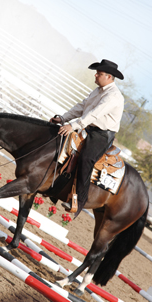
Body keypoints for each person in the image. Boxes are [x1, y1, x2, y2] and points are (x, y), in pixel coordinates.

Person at [50, 59, 124, 217]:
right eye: (96, 73)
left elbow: (94, 114)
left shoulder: (113, 96)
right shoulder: (98, 90)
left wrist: (73, 125)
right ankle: (57, 186)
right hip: (89, 128)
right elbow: (82, 107)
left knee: (86, 158)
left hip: (102, 134)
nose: (96, 75)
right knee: (64, 145)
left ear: (109, 77)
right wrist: (63, 118)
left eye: (100, 73)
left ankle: (78, 200)